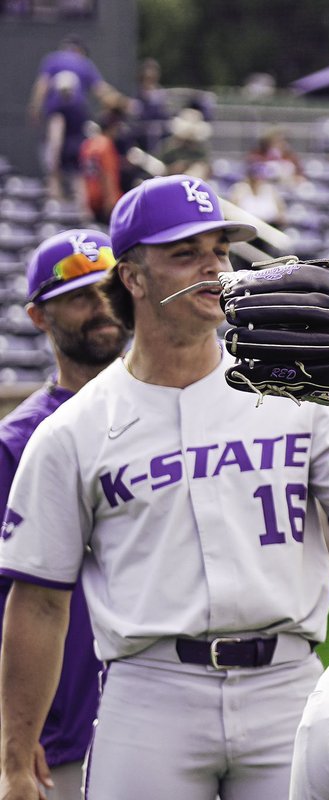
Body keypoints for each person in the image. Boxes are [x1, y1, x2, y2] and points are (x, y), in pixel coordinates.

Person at [0, 175, 329, 800]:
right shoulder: (71, 430)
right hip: (150, 693)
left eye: (220, 250)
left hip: (285, 681)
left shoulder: (293, 389)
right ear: (132, 277)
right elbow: (39, 601)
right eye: (186, 253)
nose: (213, 266)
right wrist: (15, 758)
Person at [0, 229, 128, 800]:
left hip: (175, 710)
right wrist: (13, 729)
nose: (100, 307)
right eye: (78, 297)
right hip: (64, 732)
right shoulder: (17, 443)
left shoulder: (180, 412)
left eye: (107, 290)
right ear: (38, 316)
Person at [27, 34, 118, 126]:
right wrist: (120, 102)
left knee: (56, 125)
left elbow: (42, 86)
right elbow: (101, 89)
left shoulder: (52, 59)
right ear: (80, 50)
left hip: (55, 108)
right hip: (76, 107)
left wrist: (35, 107)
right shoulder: (84, 63)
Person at [41, 70, 89, 204]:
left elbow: (56, 134)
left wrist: (53, 156)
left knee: (55, 180)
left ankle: (57, 210)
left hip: (64, 149)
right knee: (78, 182)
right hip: (79, 147)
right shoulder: (80, 107)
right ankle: (82, 210)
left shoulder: (58, 108)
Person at [79, 118, 123, 223]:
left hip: (91, 197)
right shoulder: (106, 144)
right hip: (104, 200)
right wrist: (110, 200)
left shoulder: (88, 144)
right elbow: (107, 174)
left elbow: (83, 174)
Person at [157, 108, 213, 179]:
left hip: (195, 178)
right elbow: (161, 166)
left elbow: (206, 165)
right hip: (172, 178)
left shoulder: (201, 146)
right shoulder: (169, 144)